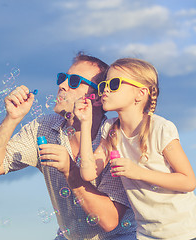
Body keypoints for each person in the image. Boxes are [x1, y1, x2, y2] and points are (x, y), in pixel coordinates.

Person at [0, 52, 137, 239]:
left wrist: (71, 171)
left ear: (99, 97)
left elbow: (110, 221)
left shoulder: (114, 137)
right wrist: (12, 119)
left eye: (75, 81)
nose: (62, 85)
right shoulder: (43, 128)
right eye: (63, 78)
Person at [75, 57, 196, 239]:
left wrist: (138, 172)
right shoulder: (110, 129)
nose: (106, 89)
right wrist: (85, 124)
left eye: (114, 83)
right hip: (147, 234)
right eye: (104, 84)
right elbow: (88, 173)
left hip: (184, 231)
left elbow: (188, 181)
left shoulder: (160, 128)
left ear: (140, 94)